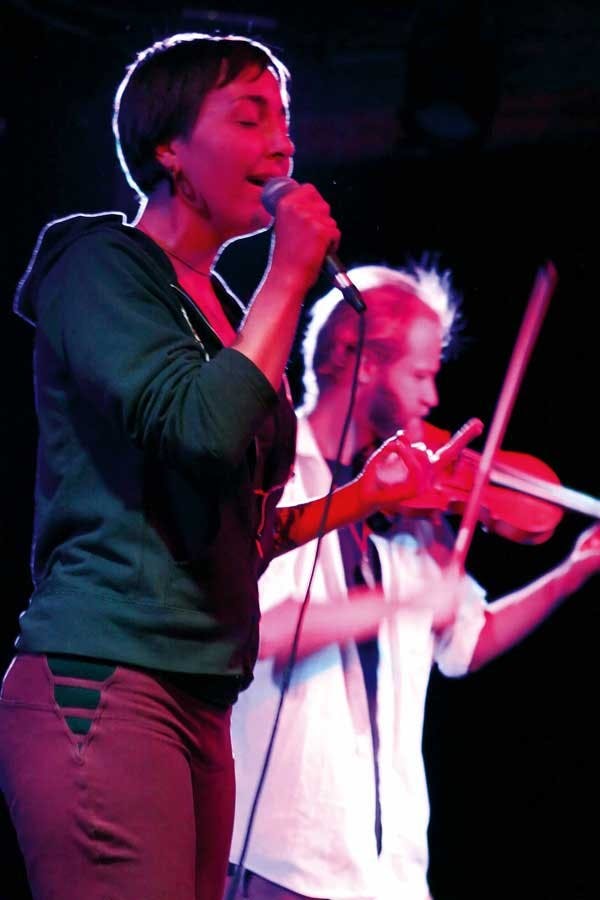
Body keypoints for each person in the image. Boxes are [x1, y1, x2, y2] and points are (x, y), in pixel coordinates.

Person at [0, 34, 442, 900]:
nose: (283, 142)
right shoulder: (100, 265)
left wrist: (363, 497)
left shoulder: (227, 314)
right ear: (168, 146)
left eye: (286, 120)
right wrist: (289, 275)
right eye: (251, 116)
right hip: (108, 681)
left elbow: (242, 528)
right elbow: (199, 433)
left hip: (201, 703)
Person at [226, 262, 600, 900]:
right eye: (421, 374)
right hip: (284, 859)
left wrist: (572, 574)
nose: (432, 400)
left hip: (390, 872)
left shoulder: (413, 516)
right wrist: (401, 601)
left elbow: (465, 641)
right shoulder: (279, 477)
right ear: (360, 359)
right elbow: (263, 629)